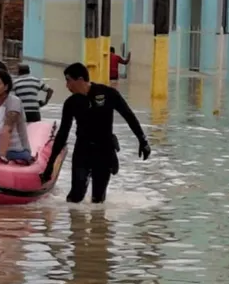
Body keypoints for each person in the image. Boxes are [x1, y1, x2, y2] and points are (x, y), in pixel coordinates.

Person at [41, 63, 152, 203]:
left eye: (68, 80)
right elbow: (63, 133)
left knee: (98, 200)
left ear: (80, 79)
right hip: (82, 151)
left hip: (104, 151)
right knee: (75, 197)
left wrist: (143, 141)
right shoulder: (71, 103)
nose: (67, 86)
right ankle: (73, 217)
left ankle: (98, 217)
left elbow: (129, 116)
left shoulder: (108, 93)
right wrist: (50, 164)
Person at [0, 69, 32, 163]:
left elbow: (7, 130)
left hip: (17, 151)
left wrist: (1, 155)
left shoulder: (13, 102)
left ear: (6, 86)